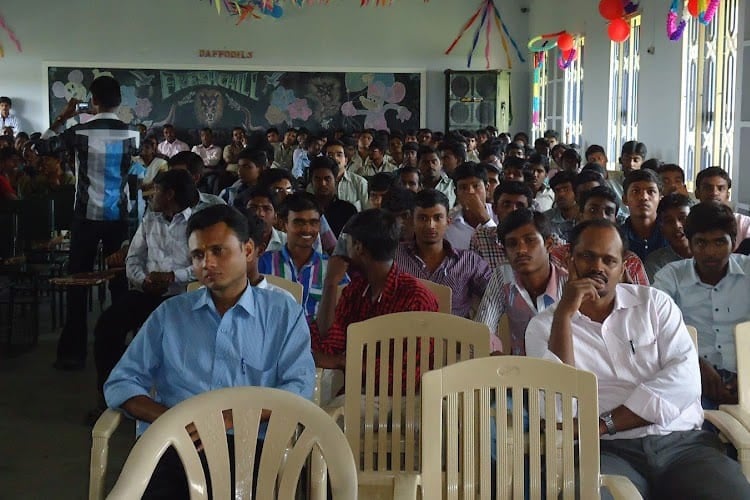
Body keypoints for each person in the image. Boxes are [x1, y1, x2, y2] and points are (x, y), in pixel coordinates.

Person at [526, 218, 750, 500]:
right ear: (570, 261)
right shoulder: (543, 326)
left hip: (682, 445)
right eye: (587, 257)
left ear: (622, 268)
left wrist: (604, 422)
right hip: (605, 450)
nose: (598, 267)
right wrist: (563, 318)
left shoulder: (654, 305)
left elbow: (685, 380)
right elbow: (558, 412)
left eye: (609, 260)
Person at [104, 204, 316, 499]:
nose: (208, 263)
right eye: (198, 255)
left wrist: (228, 419)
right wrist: (175, 420)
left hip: (250, 448)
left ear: (249, 250)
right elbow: (121, 383)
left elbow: (298, 388)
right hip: (176, 443)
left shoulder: (283, 314)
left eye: (219, 251)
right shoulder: (170, 315)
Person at [37, 76, 140, 370]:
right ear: (119, 101)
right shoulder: (133, 134)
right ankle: (121, 353)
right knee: (119, 285)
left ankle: (73, 352)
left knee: (78, 284)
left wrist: (63, 117)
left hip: (84, 217)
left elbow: (40, 148)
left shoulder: (79, 132)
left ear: (93, 100)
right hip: (119, 217)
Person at [92, 169, 198, 416]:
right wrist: (144, 281)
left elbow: (203, 266)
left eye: (156, 191)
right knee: (107, 326)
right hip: (147, 293)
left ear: (170, 194)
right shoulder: (150, 220)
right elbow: (133, 259)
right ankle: (110, 395)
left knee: (172, 340)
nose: (151, 197)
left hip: (181, 295)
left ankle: (172, 402)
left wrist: (173, 277)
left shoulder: (196, 224)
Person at [311, 209, 439, 379]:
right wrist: (330, 284)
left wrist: (342, 362)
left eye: (346, 243)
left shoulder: (415, 299)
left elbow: (409, 372)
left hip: (403, 398)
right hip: (357, 389)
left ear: (358, 247)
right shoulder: (357, 289)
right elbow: (326, 343)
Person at [654, 202, 750, 409]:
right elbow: (655, 330)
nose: (710, 252)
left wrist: (747, 374)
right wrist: (695, 365)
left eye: (719, 242)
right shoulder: (671, 277)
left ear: (734, 242)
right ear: (689, 243)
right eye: (701, 243)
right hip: (689, 378)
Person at [475, 208, 567, 354]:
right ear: (505, 252)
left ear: (548, 245)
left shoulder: (566, 284)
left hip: (564, 370)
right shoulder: (503, 277)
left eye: (530, 241)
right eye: (512, 243)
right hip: (519, 371)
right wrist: (493, 354)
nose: (521, 250)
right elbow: (482, 329)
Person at [394, 189, 491, 318]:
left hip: (455, 335)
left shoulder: (469, 261)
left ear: (448, 222)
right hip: (404, 333)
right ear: (412, 221)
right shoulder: (394, 257)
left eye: (437, 218)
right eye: (423, 218)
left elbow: (496, 296)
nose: (430, 225)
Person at [258, 192, 347, 320]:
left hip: (318, 338)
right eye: (299, 223)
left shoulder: (332, 268)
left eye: (313, 223)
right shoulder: (264, 264)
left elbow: (344, 313)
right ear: (284, 224)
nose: (307, 229)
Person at [550, 186, 650, 285]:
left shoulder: (630, 262)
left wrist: (627, 290)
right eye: (593, 210)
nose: (601, 216)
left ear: (615, 219)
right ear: (581, 215)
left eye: (608, 212)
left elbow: (645, 298)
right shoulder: (558, 256)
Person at [469, 181, 534, 270]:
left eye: (520, 206)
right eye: (506, 205)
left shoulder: (540, 238)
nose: (513, 210)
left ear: (529, 211)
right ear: (495, 209)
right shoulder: (481, 238)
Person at [445, 162, 497, 250]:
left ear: (487, 188)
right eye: (463, 187)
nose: (470, 192)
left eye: (476, 186)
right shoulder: (448, 224)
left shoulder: (498, 214)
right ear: (456, 193)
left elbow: (504, 248)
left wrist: (484, 218)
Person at [694, 166, 750, 247]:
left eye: (720, 188)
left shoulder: (744, 224)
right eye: (707, 188)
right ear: (697, 193)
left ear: (728, 195)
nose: (714, 193)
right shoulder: (687, 222)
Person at [621, 169, 668, 261]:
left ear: (660, 198)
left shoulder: (670, 234)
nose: (644, 197)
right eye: (635, 191)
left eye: (651, 191)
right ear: (625, 199)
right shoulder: (618, 237)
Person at [645, 193, 692, 280]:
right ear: (661, 227)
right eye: (669, 221)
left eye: (683, 218)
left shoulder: (711, 255)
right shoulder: (656, 263)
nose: (677, 225)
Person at [307, 156, 358, 237]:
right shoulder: (305, 209)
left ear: (335, 180)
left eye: (327, 179)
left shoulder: (348, 210)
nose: (323, 183)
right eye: (317, 179)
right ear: (311, 181)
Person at [317, 139, 368, 211]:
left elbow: (367, 212)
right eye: (330, 155)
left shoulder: (360, 183)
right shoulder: (317, 183)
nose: (335, 158)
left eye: (339, 155)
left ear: (346, 160)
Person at [544, 170, 578, 243]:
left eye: (566, 189)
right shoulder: (546, 218)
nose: (561, 194)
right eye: (557, 190)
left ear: (576, 191)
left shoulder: (585, 217)